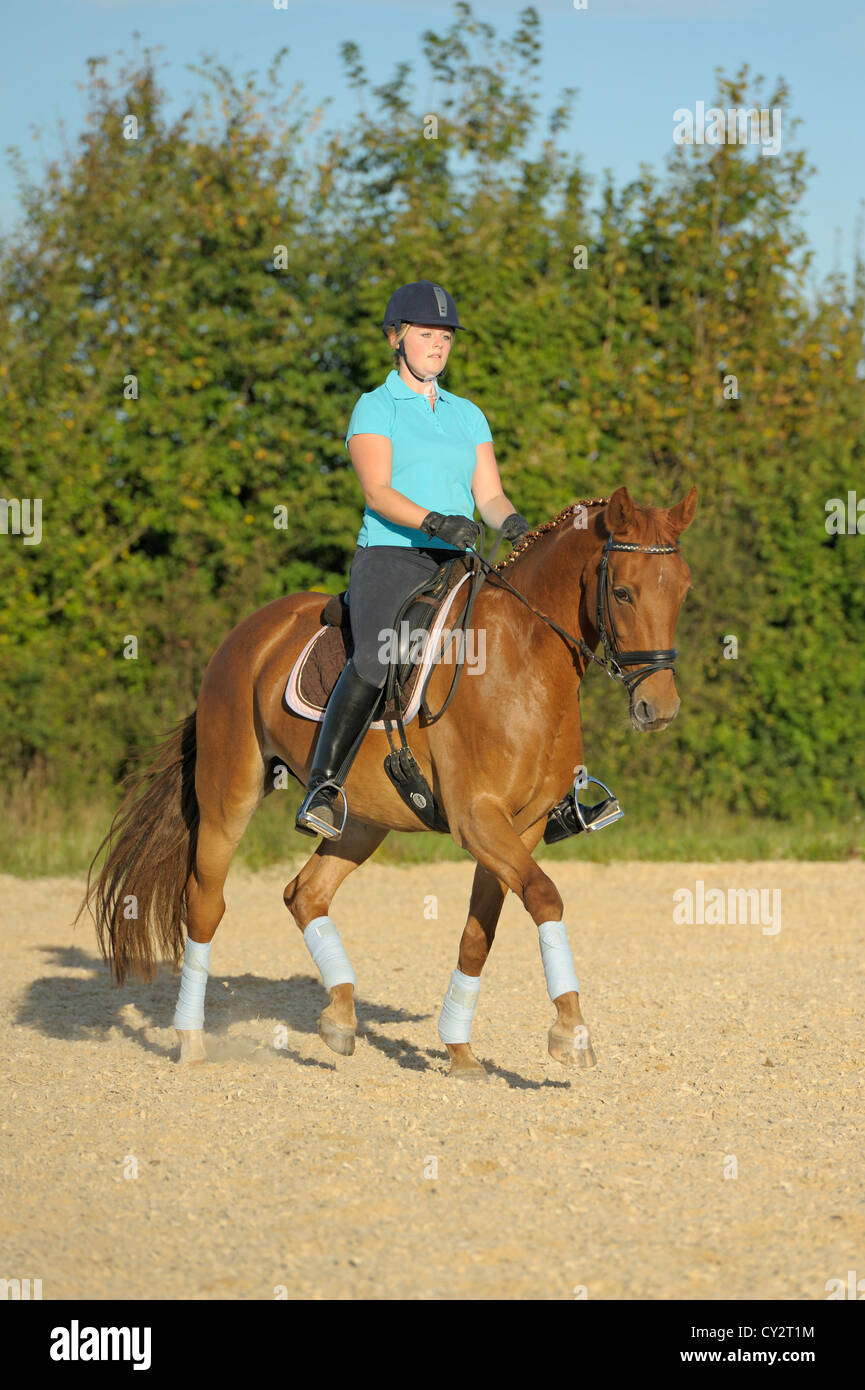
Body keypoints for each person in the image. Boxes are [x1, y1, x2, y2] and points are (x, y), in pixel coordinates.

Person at [295, 279, 529, 840]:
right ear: (396, 338)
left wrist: (517, 523)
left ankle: (556, 791)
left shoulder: (468, 414)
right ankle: (322, 788)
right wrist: (433, 521)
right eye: (427, 334)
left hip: (458, 561)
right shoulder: (375, 407)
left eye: (445, 336)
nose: (438, 345)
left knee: (519, 653)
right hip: (392, 556)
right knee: (377, 660)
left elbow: (489, 495)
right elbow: (377, 492)